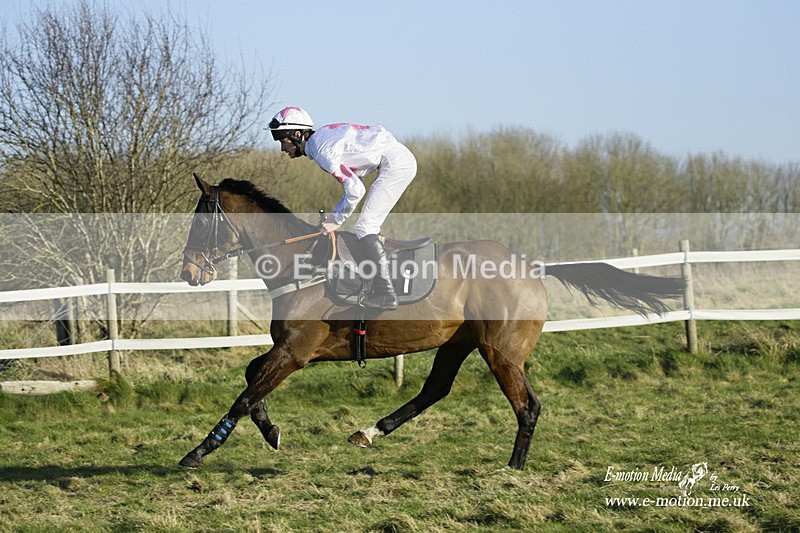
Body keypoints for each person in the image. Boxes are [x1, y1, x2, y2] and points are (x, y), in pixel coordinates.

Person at [268, 106, 417, 310]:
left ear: (296, 134)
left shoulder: (321, 150)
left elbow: (355, 189)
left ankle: (386, 294)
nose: (282, 149)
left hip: (396, 164)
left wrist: (335, 220)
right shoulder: (320, 139)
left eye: (282, 141)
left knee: (365, 227)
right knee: (366, 226)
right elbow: (356, 182)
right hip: (395, 159)